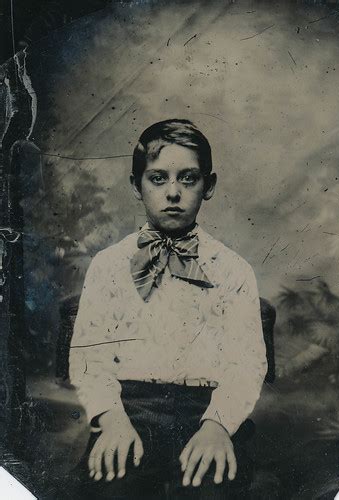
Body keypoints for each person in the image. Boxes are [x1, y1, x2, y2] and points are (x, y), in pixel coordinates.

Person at [69, 119, 267, 499]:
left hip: (206, 411)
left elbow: (247, 364)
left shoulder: (233, 269)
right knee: (110, 488)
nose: (173, 192)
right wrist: (111, 419)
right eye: (158, 179)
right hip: (130, 410)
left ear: (208, 186)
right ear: (136, 186)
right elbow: (89, 358)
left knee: (211, 489)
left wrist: (218, 426)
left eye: (188, 179)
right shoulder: (109, 265)